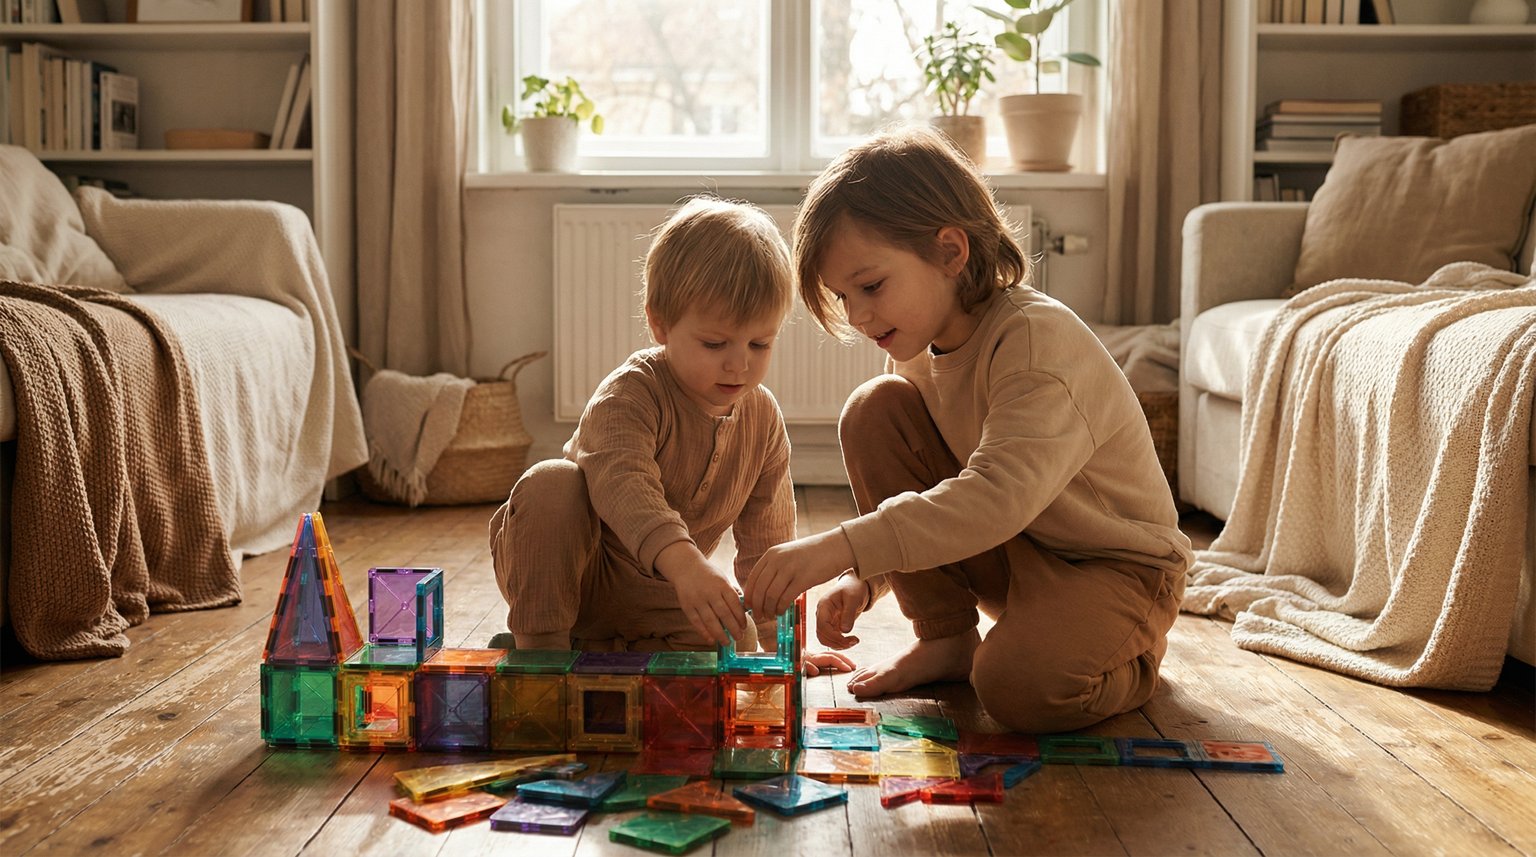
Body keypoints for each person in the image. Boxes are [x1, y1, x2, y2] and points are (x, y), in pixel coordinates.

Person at [744, 126, 1192, 733]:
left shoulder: (1035, 342)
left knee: (1015, 688)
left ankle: (1132, 658)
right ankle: (947, 639)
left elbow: (992, 497)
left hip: (1115, 568)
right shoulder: (917, 347)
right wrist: (864, 577)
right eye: (843, 296)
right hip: (1015, 553)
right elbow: (940, 500)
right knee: (875, 409)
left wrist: (838, 546)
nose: (858, 315)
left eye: (871, 286)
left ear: (951, 252)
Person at [489, 195, 852, 674]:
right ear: (660, 323)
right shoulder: (630, 392)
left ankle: (604, 648)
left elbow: (767, 542)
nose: (739, 363)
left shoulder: (763, 419)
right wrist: (684, 564)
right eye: (715, 343)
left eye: (760, 343)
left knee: (735, 640)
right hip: (577, 576)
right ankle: (543, 651)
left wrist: (778, 645)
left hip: (663, 595)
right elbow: (625, 484)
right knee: (550, 482)